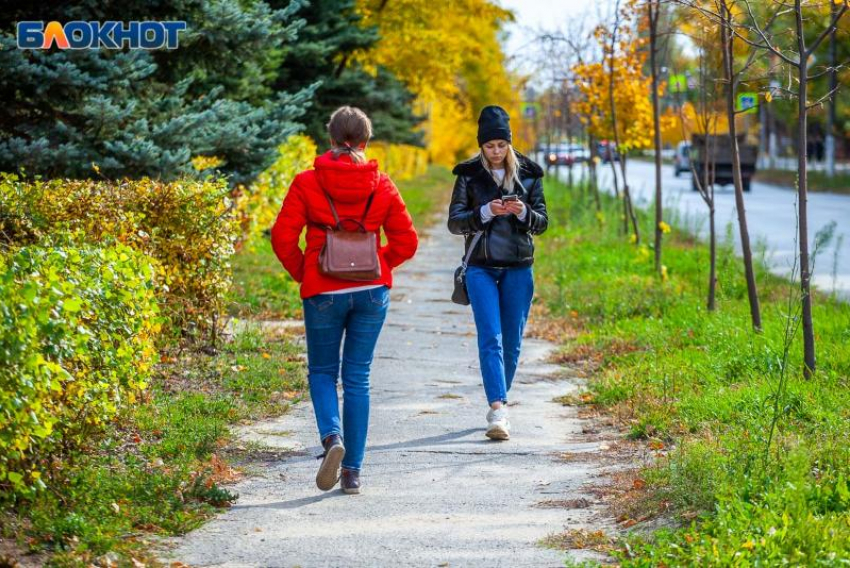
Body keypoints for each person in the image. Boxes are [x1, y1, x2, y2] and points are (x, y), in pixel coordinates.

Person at [271, 106, 418, 493]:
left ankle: (331, 439)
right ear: (366, 142)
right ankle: (352, 472)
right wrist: (376, 263)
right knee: (358, 378)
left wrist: (307, 273)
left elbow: (283, 238)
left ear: (331, 138)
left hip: (323, 291)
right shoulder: (382, 184)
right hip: (371, 292)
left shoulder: (307, 182)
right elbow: (407, 241)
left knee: (322, 372)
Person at [447, 105, 548, 441]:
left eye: (501, 146)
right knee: (490, 337)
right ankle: (498, 409)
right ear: (481, 146)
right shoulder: (468, 175)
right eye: (489, 146)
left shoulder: (530, 174)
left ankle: (499, 400)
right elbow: (454, 222)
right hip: (481, 268)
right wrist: (485, 211)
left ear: (509, 144)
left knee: (513, 341)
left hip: (519, 268)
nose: (495, 152)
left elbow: (543, 222)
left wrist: (523, 213)